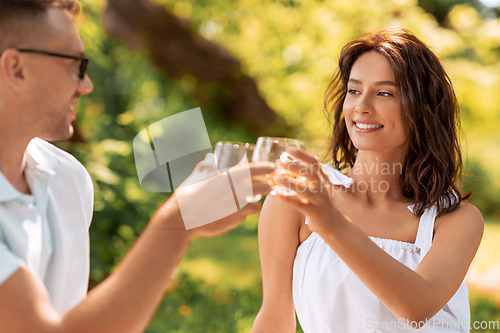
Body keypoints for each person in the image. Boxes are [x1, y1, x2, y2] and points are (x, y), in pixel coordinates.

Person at [0, 1, 274, 332]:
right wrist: (178, 222)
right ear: (16, 68)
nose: (86, 85)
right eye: (75, 65)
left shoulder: (66, 179)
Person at [251, 27, 484, 333]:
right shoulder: (295, 198)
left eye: (384, 92)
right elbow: (275, 318)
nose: (362, 106)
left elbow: (417, 309)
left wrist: (330, 222)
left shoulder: (455, 219)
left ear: (422, 109)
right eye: (354, 90)